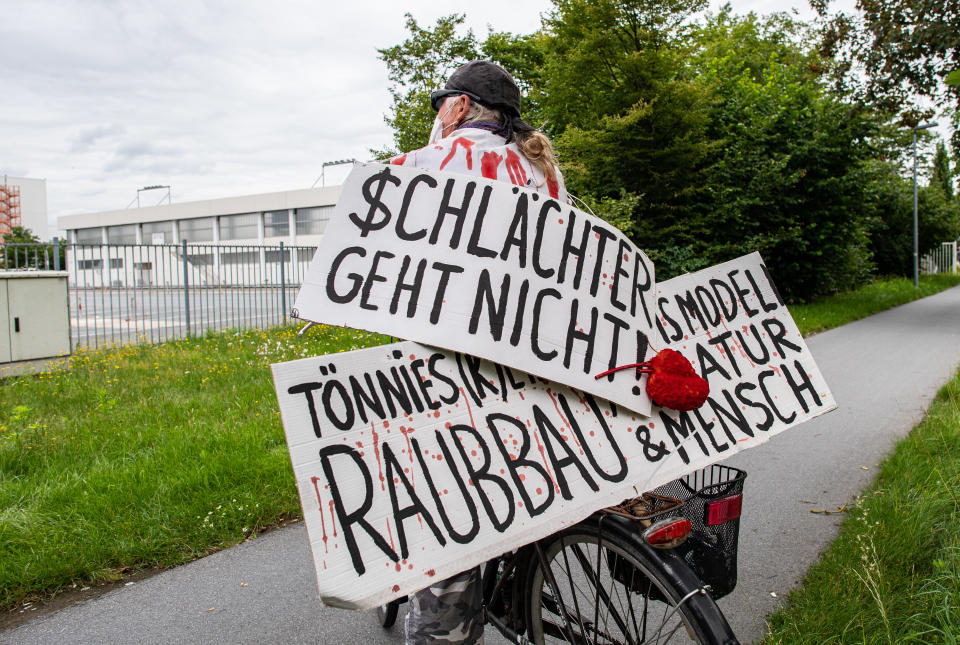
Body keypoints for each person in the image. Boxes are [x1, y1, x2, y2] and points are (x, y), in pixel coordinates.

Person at [391, 60, 568, 645]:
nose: (438, 112)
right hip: (534, 358)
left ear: (460, 107)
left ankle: (446, 628)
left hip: (453, 360)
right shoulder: (544, 172)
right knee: (518, 475)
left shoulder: (425, 162)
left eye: (442, 103)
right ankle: (524, 582)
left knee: (451, 502)